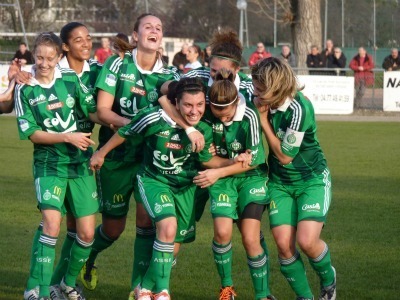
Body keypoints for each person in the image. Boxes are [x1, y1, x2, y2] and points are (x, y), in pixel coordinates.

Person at [78, 13, 203, 300]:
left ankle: (140, 289)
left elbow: (170, 100)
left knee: (147, 224)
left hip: (150, 163)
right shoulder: (117, 64)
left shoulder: (169, 75)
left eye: (159, 28)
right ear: (135, 36)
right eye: (148, 26)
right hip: (117, 156)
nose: (154, 31)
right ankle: (90, 257)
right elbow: (104, 111)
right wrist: (138, 127)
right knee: (112, 229)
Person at [89, 77, 249, 300]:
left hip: (185, 188)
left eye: (200, 105)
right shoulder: (153, 117)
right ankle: (162, 291)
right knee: (167, 227)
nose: (195, 111)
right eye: (188, 105)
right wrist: (101, 153)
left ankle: (144, 287)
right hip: (155, 181)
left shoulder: (204, 127)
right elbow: (124, 133)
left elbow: (208, 161)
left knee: (173, 244)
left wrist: (233, 162)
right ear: (176, 103)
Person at [16, 32, 99, 300]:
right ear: (34, 55)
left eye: (50, 58)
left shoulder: (71, 80)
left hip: (79, 163)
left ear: (59, 58)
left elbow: (92, 109)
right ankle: (38, 291)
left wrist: (120, 123)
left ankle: (65, 284)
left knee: (86, 234)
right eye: (39, 57)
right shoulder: (25, 88)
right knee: (51, 225)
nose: (43, 63)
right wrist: (67, 136)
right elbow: (32, 134)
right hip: (49, 165)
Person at [251, 57, 336, 300]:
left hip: (312, 180)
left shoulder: (299, 108)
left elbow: (285, 156)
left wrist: (264, 121)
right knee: (283, 244)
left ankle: (329, 281)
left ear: (275, 88)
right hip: (280, 184)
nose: (255, 93)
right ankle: (305, 297)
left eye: (260, 89)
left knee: (308, 241)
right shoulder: (261, 99)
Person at [193, 69, 274, 300]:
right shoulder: (207, 115)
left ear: (236, 101)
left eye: (226, 113)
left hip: (251, 178)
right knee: (222, 232)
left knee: (250, 237)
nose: (221, 117)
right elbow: (206, 159)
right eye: (216, 112)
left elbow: (254, 160)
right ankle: (227, 288)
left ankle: (262, 295)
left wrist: (218, 171)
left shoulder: (249, 115)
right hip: (222, 179)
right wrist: (229, 163)